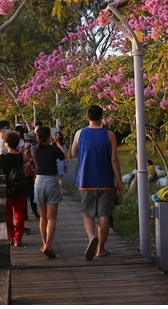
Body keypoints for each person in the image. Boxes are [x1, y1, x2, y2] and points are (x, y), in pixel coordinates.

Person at [70, 104, 123, 260]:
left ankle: (91, 237)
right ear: (101, 117)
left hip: (85, 181)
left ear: (87, 117)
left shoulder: (79, 134)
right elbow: (114, 159)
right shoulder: (110, 135)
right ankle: (100, 249)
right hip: (105, 181)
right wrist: (119, 181)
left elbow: (73, 153)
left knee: (87, 214)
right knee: (104, 215)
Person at [0, 131, 30, 247]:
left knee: (8, 216)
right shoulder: (20, 156)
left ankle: (11, 236)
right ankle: (18, 238)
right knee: (20, 216)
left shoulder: (3, 158)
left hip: (7, 190)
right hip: (21, 189)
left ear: (6, 143)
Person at [32, 124, 66, 259]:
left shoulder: (34, 149)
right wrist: (57, 143)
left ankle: (44, 242)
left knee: (43, 217)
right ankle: (49, 245)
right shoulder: (53, 150)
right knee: (52, 218)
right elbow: (64, 156)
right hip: (52, 182)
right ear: (49, 136)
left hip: (39, 182)